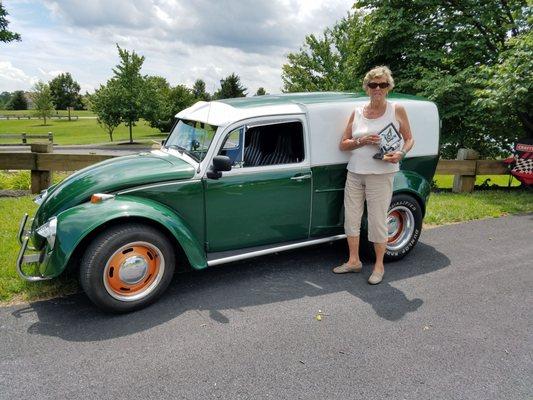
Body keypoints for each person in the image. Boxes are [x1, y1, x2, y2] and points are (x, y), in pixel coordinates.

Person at [333, 66, 414, 284]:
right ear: (367, 87)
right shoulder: (357, 112)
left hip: (381, 173)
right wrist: (362, 140)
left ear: (388, 87)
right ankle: (353, 261)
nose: (377, 88)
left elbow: (409, 139)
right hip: (355, 172)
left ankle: (379, 266)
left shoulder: (396, 109)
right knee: (351, 217)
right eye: (373, 84)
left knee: (378, 220)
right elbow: (344, 144)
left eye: (382, 84)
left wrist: (401, 153)